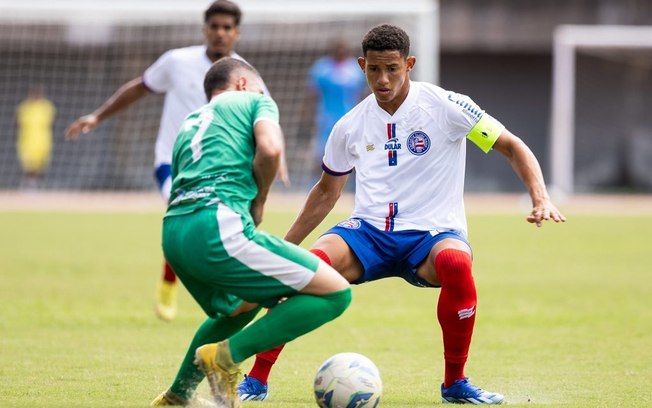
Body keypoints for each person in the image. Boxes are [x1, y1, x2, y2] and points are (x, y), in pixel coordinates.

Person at [239, 24, 566, 404]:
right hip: (368, 234)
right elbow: (327, 192)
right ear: (362, 65)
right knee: (307, 268)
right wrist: (284, 248)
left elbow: (512, 146)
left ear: (409, 64)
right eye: (374, 69)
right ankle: (256, 381)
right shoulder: (349, 125)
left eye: (392, 68)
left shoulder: (446, 106)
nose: (382, 79)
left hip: (431, 236)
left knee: (457, 264)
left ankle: (455, 383)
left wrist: (540, 197)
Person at [65, 0, 285, 322]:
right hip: (173, 161)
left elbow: (265, 122)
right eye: (214, 26)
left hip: (223, 169)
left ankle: (228, 290)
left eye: (227, 28)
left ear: (236, 33)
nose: (220, 33)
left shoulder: (246, 75)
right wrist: (97, 117)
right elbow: (139, 88)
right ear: (204, 29)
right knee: (185, 212)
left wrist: (280, 162)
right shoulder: (177, 61)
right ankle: (174, 284)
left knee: (219, 221)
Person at [150, 57, 351, 407]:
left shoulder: (191, 122)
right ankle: (227, 357)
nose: (264, 94)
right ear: (243, 83)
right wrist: (258, 203)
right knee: (336, 293)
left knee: (238, 306)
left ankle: (178, 396)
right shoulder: (255, 100)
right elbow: (270, 149)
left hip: (174, 233)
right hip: (216, 226)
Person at [302, 38, 366, 185]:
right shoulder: (321, 68)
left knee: (357, 155)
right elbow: (312, 94)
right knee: (322, 158)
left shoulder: (355, 69)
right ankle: (315, 187)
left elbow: (362, 95)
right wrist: (306, 119)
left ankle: (354, 190)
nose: (341, 52)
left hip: (351, 118)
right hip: (326, 120)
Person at [16, 85, 56, 190]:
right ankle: (29, 185)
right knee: (28, 164)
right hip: (27, 139)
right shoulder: (24, 107)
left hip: (43, 139)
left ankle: (37, 184)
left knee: (41, 164)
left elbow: (51, 123)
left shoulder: (47, 107)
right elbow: (18, 123)